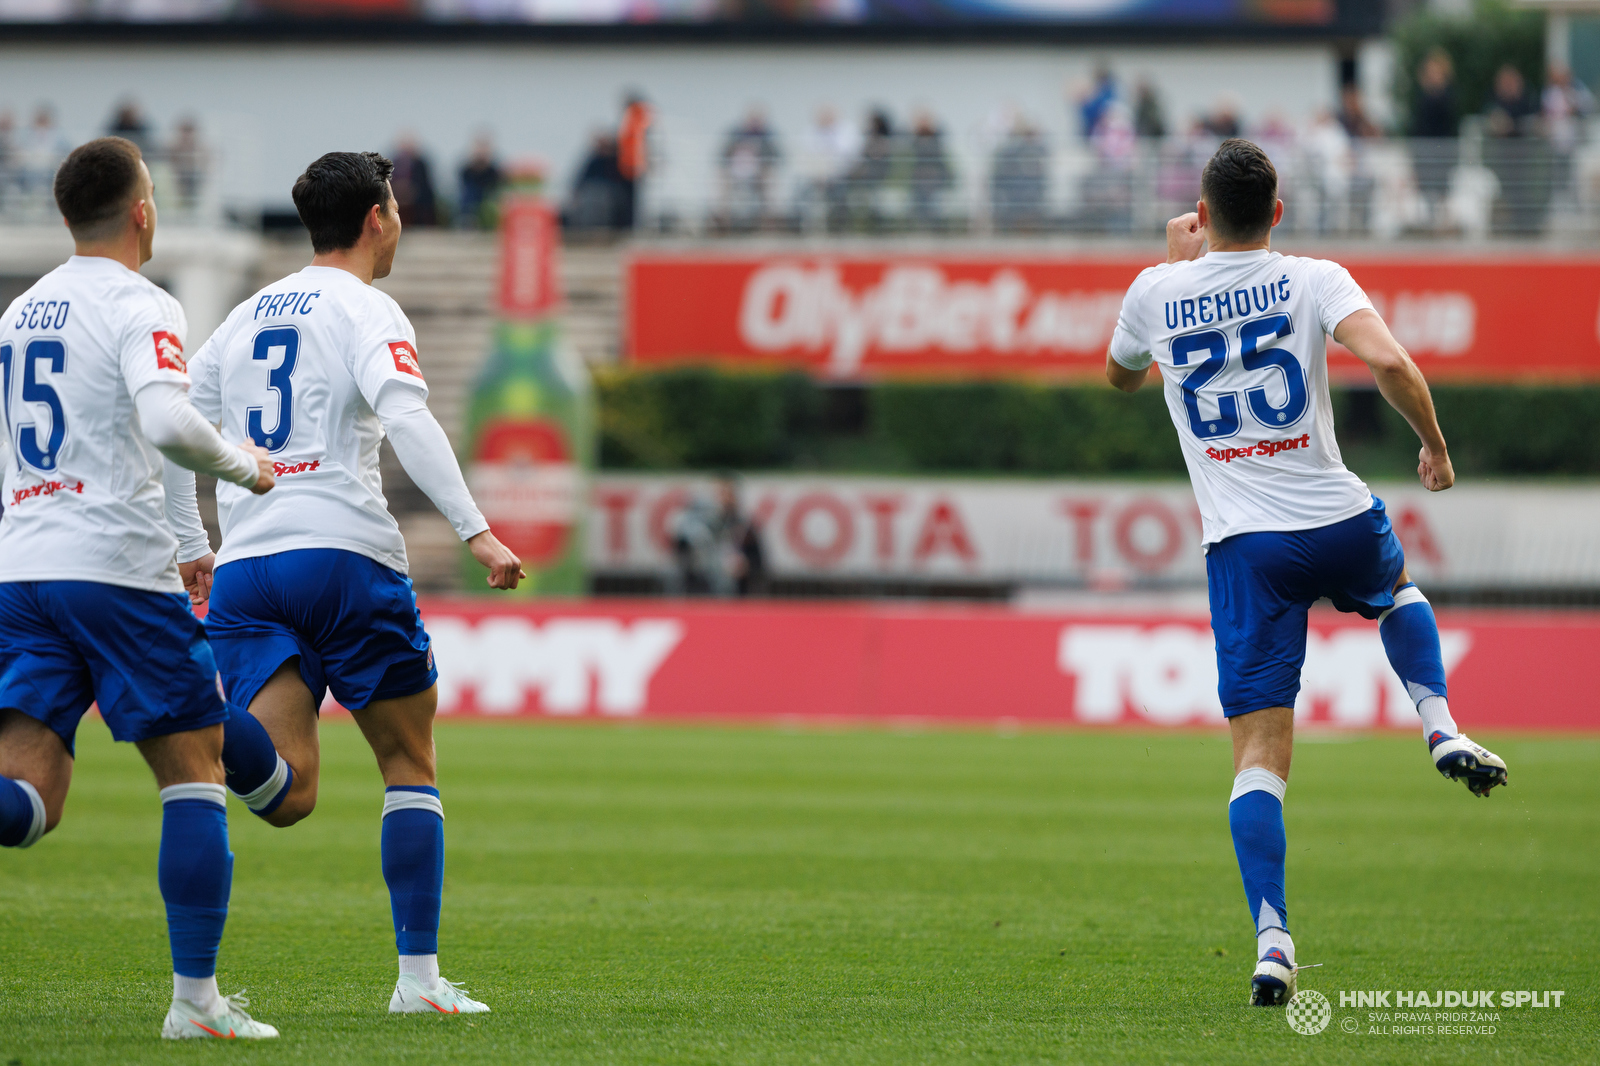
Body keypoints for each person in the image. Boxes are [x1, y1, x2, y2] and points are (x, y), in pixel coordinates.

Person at [1103, 138, 1508, 1008]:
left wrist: (1175, 269)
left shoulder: (1154, 289)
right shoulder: (1316, 277)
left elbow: (1120, 378)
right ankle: (1438, 723)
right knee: (1397, 590)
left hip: (1245, 546)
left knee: (1258, 760)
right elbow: (1393, 363)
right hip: (1334, 514)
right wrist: (1434, 448)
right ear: (1277, 213)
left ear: (1202, 214)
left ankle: (1275, 939)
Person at [178, 151, 525, 1015]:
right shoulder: (368, 307)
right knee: (410, 761)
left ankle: (173, 693)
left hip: (250, 568)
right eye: (397, 207)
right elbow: (406, 415)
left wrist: (193, 539)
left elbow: (174, 423)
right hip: (343, 556)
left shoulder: (245, 313)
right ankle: (418, 984)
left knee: (287, 793)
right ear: (377, 217)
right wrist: (476, 531)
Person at [0, 137, 279, 1039]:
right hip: (113, 572)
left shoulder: (18, 317)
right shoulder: (141, 301)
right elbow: (164, 418)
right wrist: (246, 468)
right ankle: (196, 1005)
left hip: (23, 572)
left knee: (25, 806)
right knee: (194, 771)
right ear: (143, 212)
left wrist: (187, 535)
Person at [617, 91, 651, 231]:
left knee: (634, 200)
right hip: (631, 165)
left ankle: (634, 227)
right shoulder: (639, 115)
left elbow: (638, 140)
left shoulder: (637, 115)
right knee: (633, 200)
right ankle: (633, 226)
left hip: (635, 165)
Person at [457, 134, 502, 230]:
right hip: (472, 196)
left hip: (488, 196)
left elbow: (496, 185)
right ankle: (468, 221)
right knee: (469, 193)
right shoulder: (468, 168)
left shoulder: (493, 170)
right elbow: (463, 181)